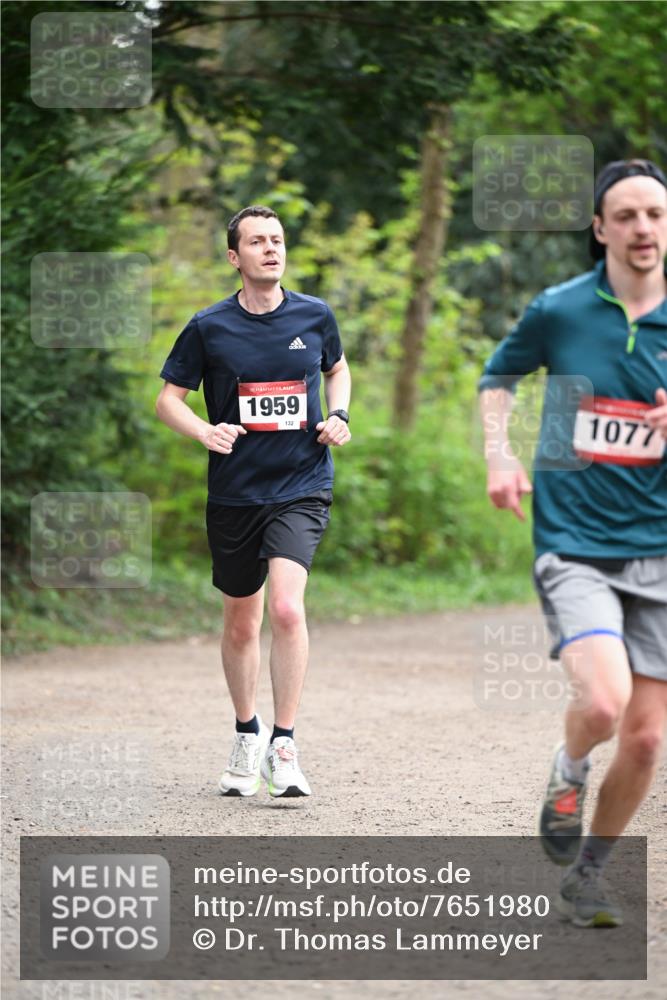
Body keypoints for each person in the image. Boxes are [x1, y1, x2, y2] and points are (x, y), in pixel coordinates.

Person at [478, 159, 667, 927]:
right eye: (624, 216)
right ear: (599, 230)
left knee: (649, 739)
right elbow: (498, 377)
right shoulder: (559, 310)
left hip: (659, 547)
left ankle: (587, 874)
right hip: (575, 539)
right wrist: (499, 452)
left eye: (653, 213)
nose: (642, 228)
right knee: (600, 702)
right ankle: (568, 767)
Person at [156, 205, 351, 799]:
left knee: (288, 610)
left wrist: (339, 414)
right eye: (257, 241)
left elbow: (338, 370)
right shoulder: (208, 326)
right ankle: (247, 731)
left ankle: (284, 744)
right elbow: (169, 400)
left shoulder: (314, 315)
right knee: (243, 620)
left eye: (278, 239)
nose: (271, 248)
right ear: (234, 256)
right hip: (236, 492)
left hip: (302, 483)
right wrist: (204, 431)